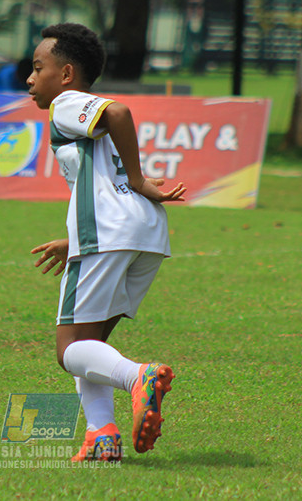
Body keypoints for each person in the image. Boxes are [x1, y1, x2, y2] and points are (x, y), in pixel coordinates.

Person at [26, 23, 186, 463]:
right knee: (91, 343)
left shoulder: (65, 103)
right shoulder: (79, 112)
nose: (30, 78)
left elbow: (119, 114)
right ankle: (102, 436)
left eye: (38, 68)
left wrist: (136, 178)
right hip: (143, 231)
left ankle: (140, 377)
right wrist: (73, 237)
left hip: (110, 232)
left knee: (68, 350)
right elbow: (103, 176)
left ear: (66, 74)